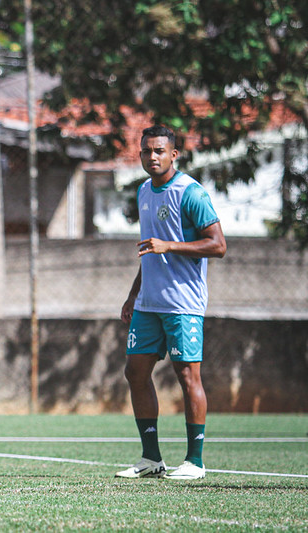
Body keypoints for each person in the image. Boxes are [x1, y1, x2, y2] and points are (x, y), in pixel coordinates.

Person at [116, 125, 226, 481]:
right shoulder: (144, 191)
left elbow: (218, 245)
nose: (152, 157)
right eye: (147, 151)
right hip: (148, 302)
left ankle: (195, 461)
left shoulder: (190, 192)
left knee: (186, 375)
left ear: (174, 154)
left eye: (160, 151)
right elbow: (149, 250)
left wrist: (171, 245)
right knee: (135, 371)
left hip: (183, 303)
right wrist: (133, 295)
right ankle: (151, 459)